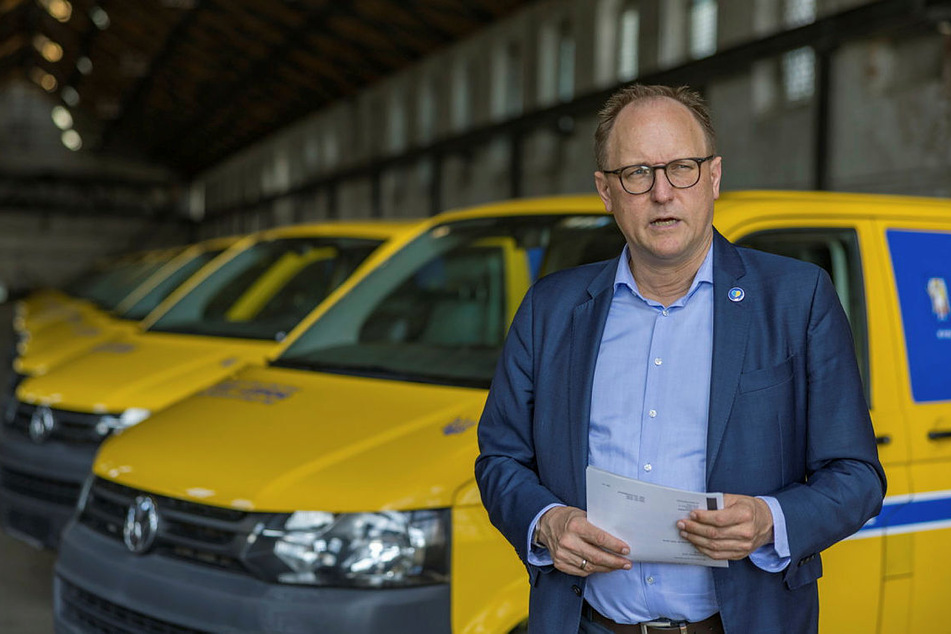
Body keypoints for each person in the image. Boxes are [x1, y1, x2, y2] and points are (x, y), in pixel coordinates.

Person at [474, 84, 885, 634]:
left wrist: (770, 520)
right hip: (587, 622)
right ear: (606, 190)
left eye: (682, 168)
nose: (663, 193)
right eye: (637, 173)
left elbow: (856, 475)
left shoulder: (796, 299)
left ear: (713, 177)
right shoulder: (551, 308)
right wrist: (547, 522)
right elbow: (499, 458)